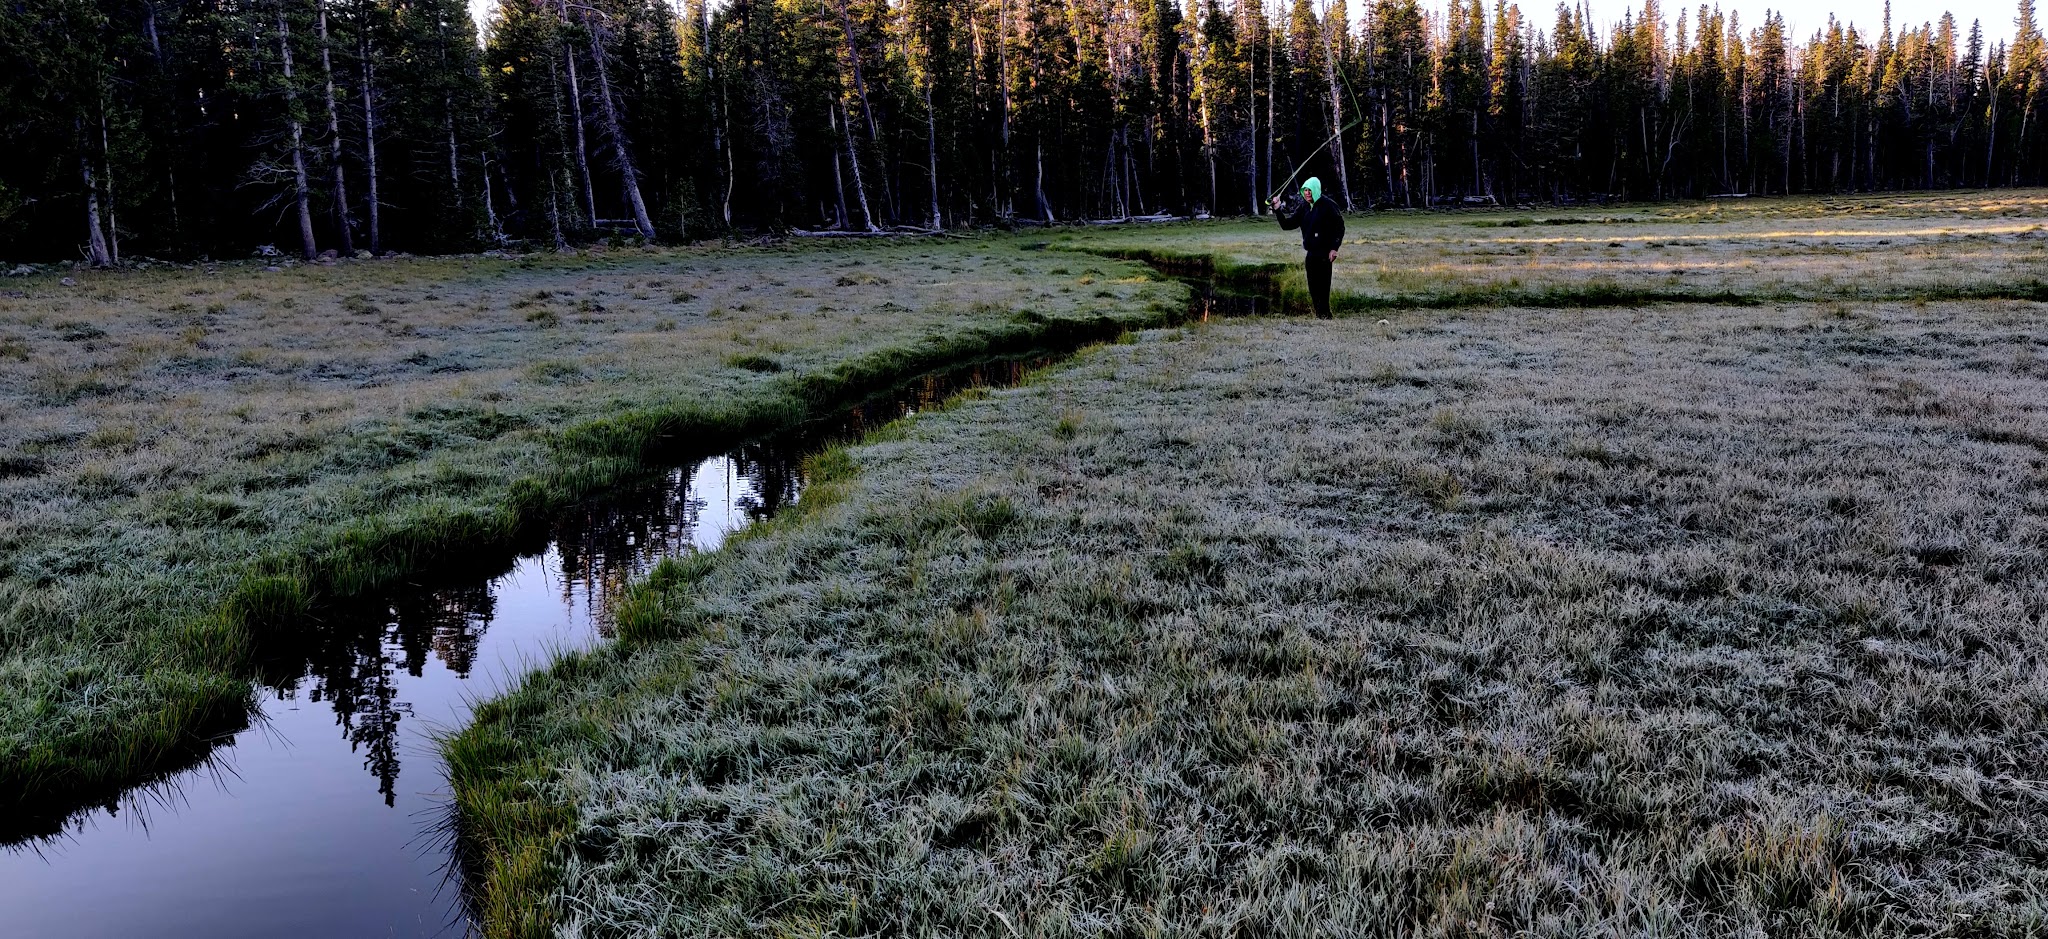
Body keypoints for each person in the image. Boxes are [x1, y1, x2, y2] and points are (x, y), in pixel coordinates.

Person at [1269, 177, 1346, 319]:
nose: (1307, 193)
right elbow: (1287, 225)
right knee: (1313, 287)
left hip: (1325, 253)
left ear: (1316, 190)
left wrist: (1334, 248)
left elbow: (1339, 227)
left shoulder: (1328, 205)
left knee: (1323, 287)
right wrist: (1278, 209)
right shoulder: (1303, 207)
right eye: (1305, 190)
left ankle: (1326, 315)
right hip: (1310, 254)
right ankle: (1319, 315)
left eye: (1310, 190)